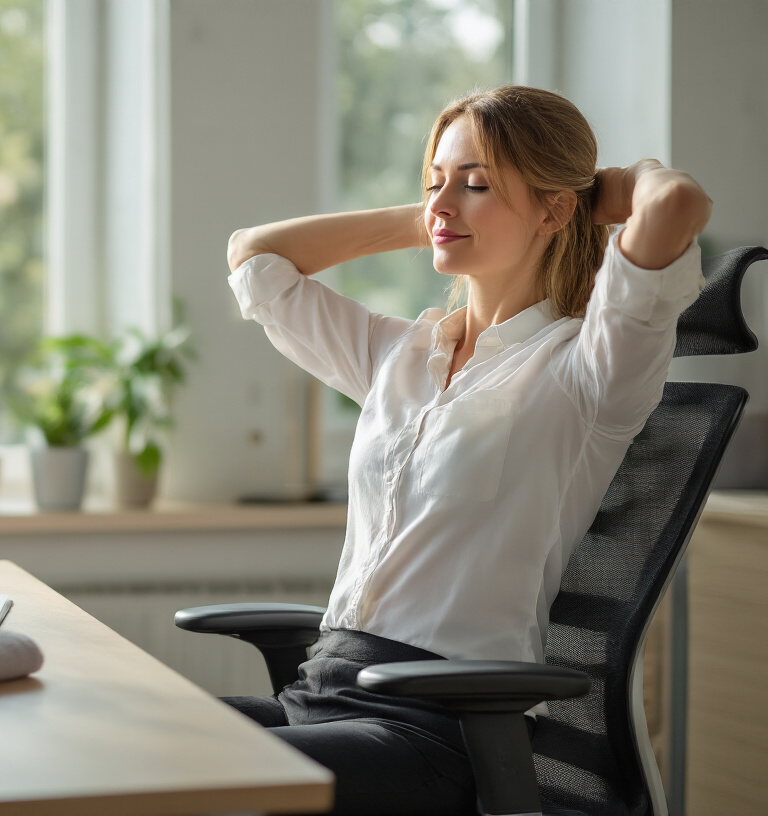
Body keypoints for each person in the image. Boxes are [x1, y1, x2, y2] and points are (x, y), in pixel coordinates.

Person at [224, 85, 712, 815]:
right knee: (122, 742)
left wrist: (594, 192)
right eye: (435, 181)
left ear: (554, 209)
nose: (444, 201)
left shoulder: (589, 370)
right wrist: (439, 216)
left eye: (477, 183)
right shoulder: (400, 354)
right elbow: (252, 256)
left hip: (434, 728)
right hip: (319, 692)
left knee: (189, 777)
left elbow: (674, 205)